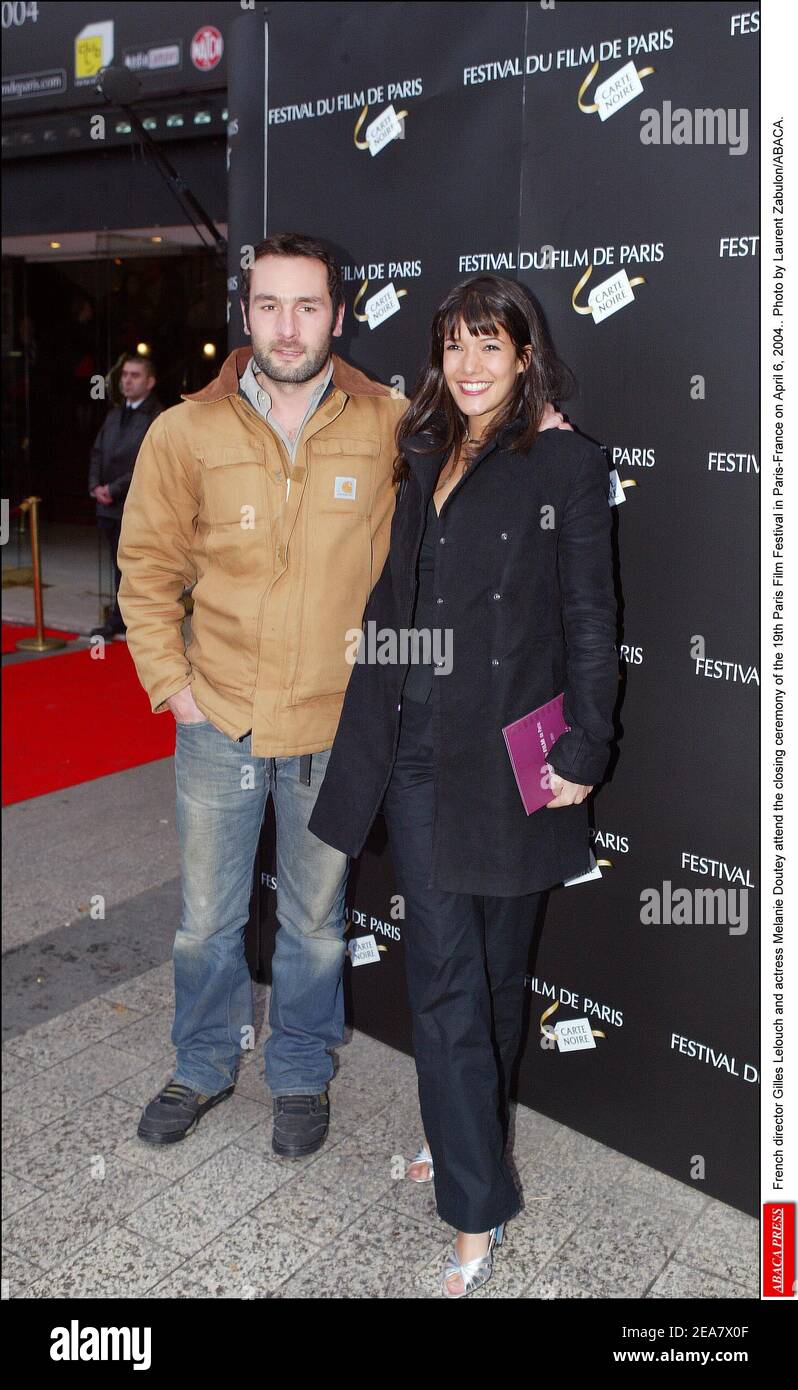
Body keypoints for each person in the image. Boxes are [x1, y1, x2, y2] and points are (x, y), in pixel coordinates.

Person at [116, 235, 572, 1163]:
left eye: (309, 306)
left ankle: (299, 1072)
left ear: (338, 315)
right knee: (207, 916)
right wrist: (174, 687)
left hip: (337, 723)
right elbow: (146, 569)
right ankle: (202, 1065)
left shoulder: (389, 421)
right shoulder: (183, 431)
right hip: (222, 718)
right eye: (271, 306)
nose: (290, 326)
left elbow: (478, 446)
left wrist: (542, 430)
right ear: (247, 315)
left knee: (316, 921)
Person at [308, 275, 619, 1297]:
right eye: (455, 346)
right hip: (418, 757)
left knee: (489, 982)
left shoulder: (567, 462)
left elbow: (589, 619)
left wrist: (584, 745)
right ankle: (474, 1208)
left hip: (516, 761)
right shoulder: (420, 448)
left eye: (493, 346)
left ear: (527, 357)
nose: (473, 366)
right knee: (445, 986)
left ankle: (457, 1141)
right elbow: (403, 596)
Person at [89, 354, 161, 640]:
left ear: (150, 381)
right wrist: (95, 486)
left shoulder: (158, 417)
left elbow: (148, 464)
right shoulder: (114, 413)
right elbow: (97, 452)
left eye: (135, 375)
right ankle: (118, 618)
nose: (127, 380)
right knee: (116, 566)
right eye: (124, 376)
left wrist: (114, 489)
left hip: (135, 506)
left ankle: (141, 623)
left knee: (140, 569)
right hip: (108, 507)